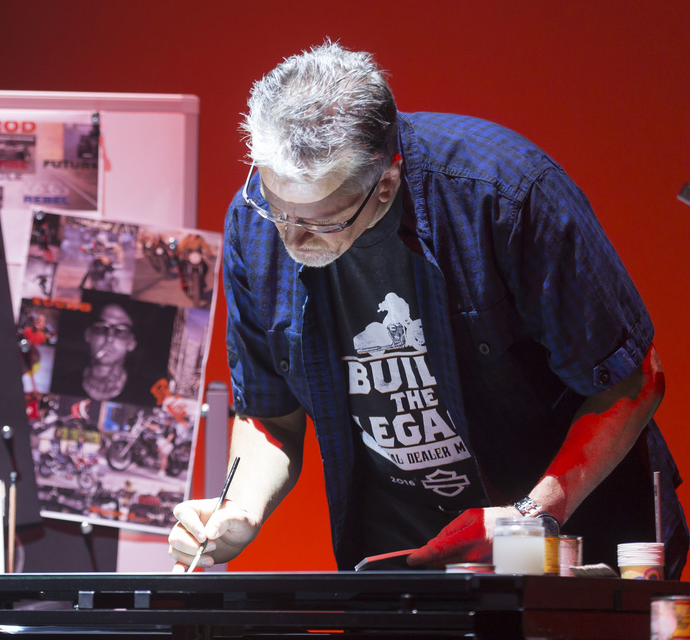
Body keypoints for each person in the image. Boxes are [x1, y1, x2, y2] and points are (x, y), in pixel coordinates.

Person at [169, 41, 689, 576]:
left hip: (572, 537)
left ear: (386, 181)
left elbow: (633, 380)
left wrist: (529, 518)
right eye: (274, 206)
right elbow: (270, 413)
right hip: (405, 559)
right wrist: (240, 510)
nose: (290, 236)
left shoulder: (503, 192)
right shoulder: (253, 222)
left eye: (321, 222)